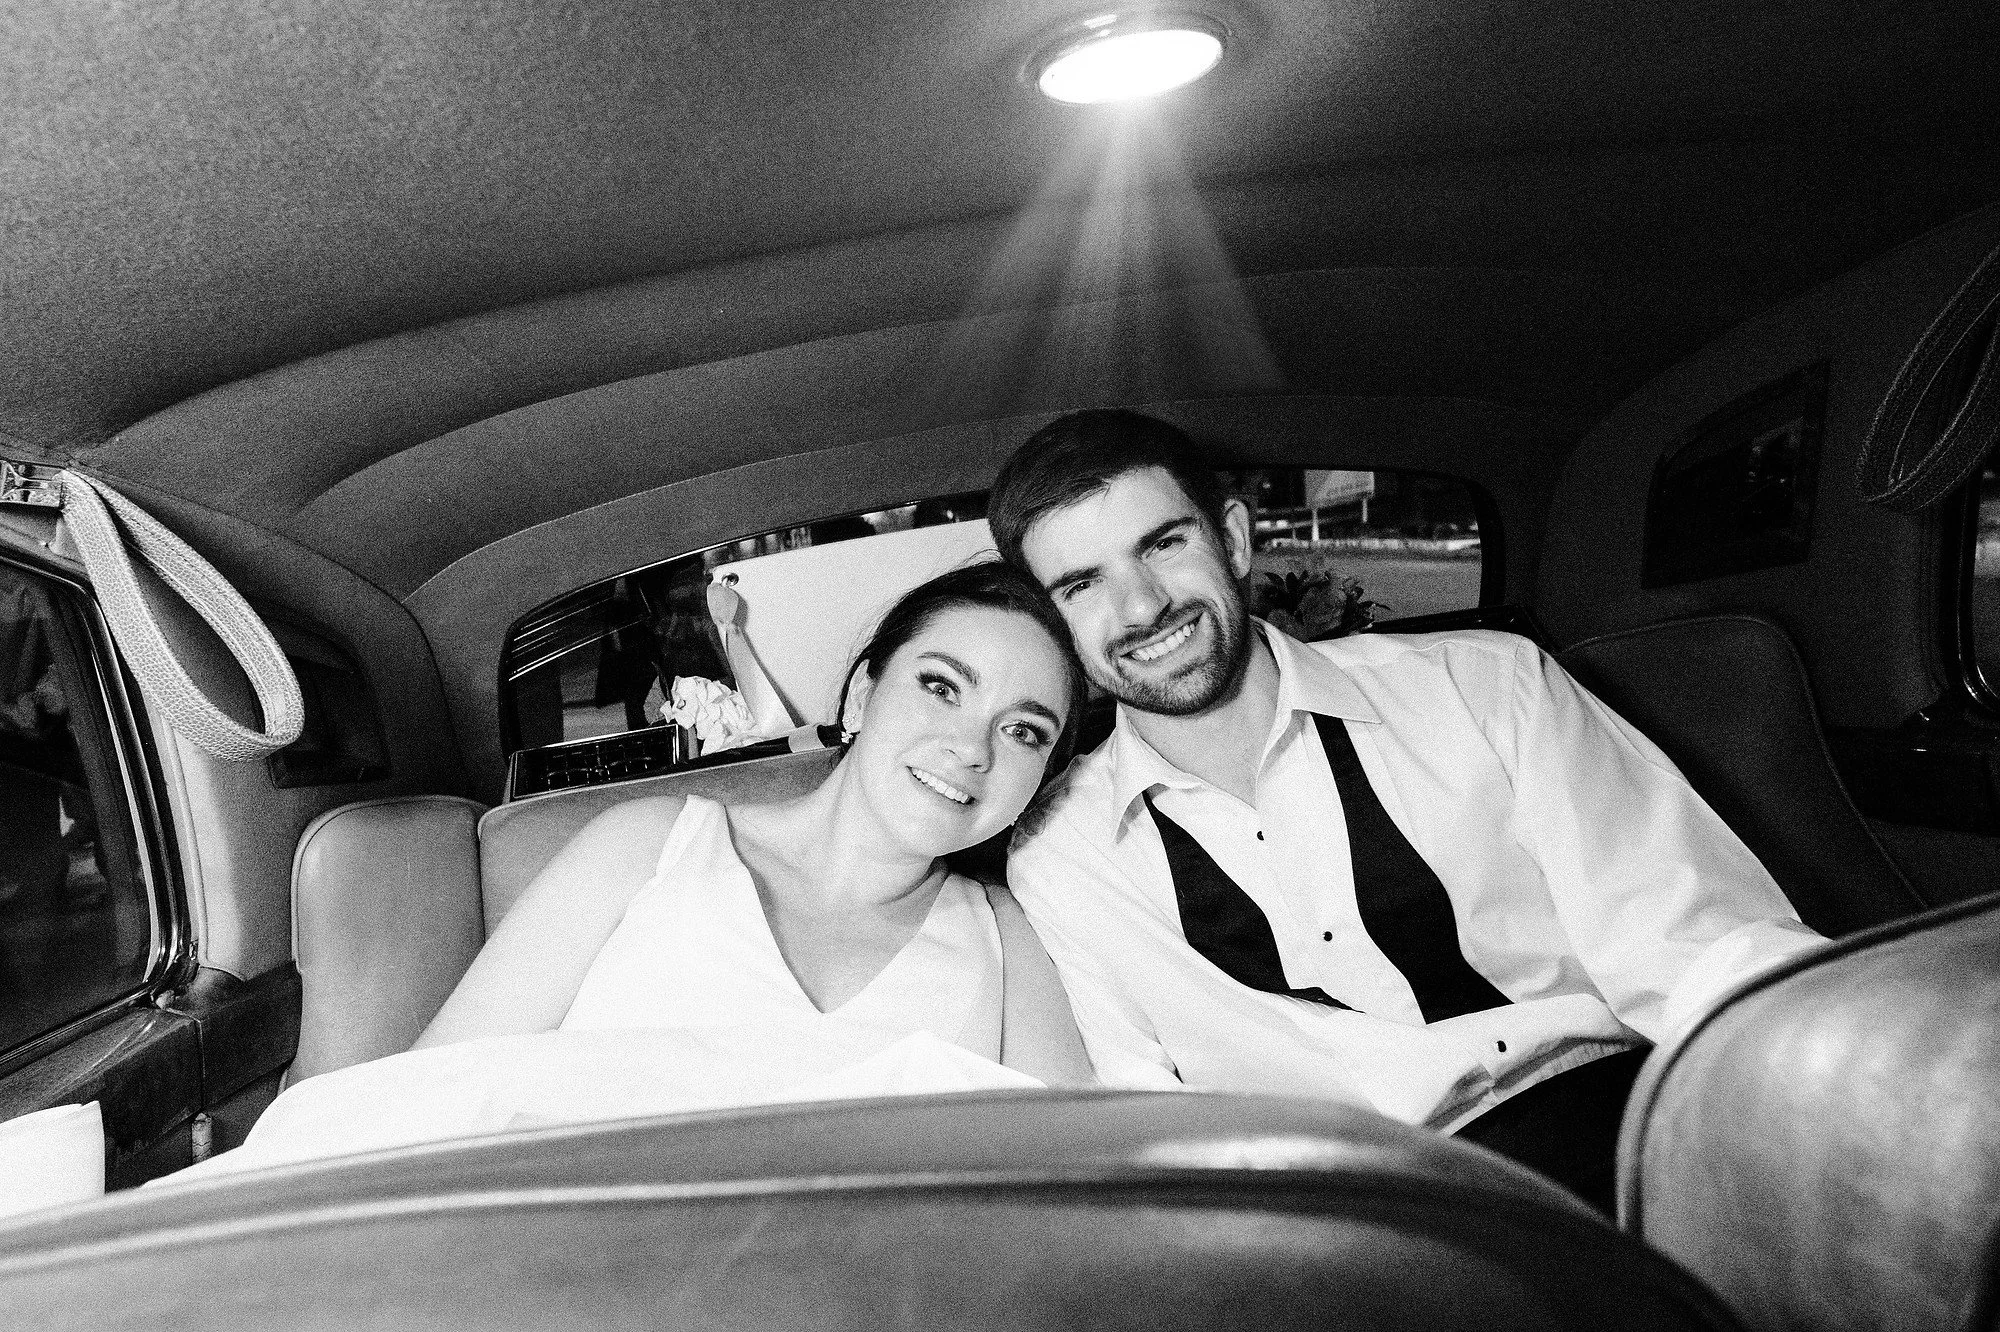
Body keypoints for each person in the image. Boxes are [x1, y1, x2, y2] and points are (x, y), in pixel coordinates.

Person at [992, 408, 1825, 1212]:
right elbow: (1142, 1124)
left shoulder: (1488, 688)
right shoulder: (1062, 859)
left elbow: (1693, 949)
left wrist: (1836, 1066)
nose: (1141, 607)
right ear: (1054, 624)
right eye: (1081, 585)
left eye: (1164, 544)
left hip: (1611, 1123)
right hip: (1363, 1222)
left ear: (1236, 540)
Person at [164, 562, 1094, 1182]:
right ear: (861, 693)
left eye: (1024, 731)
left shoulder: (1011, 940)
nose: (970, 747)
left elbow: (1077, 1198)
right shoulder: (647, 845)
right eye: (941, 686)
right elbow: (429, 1103)